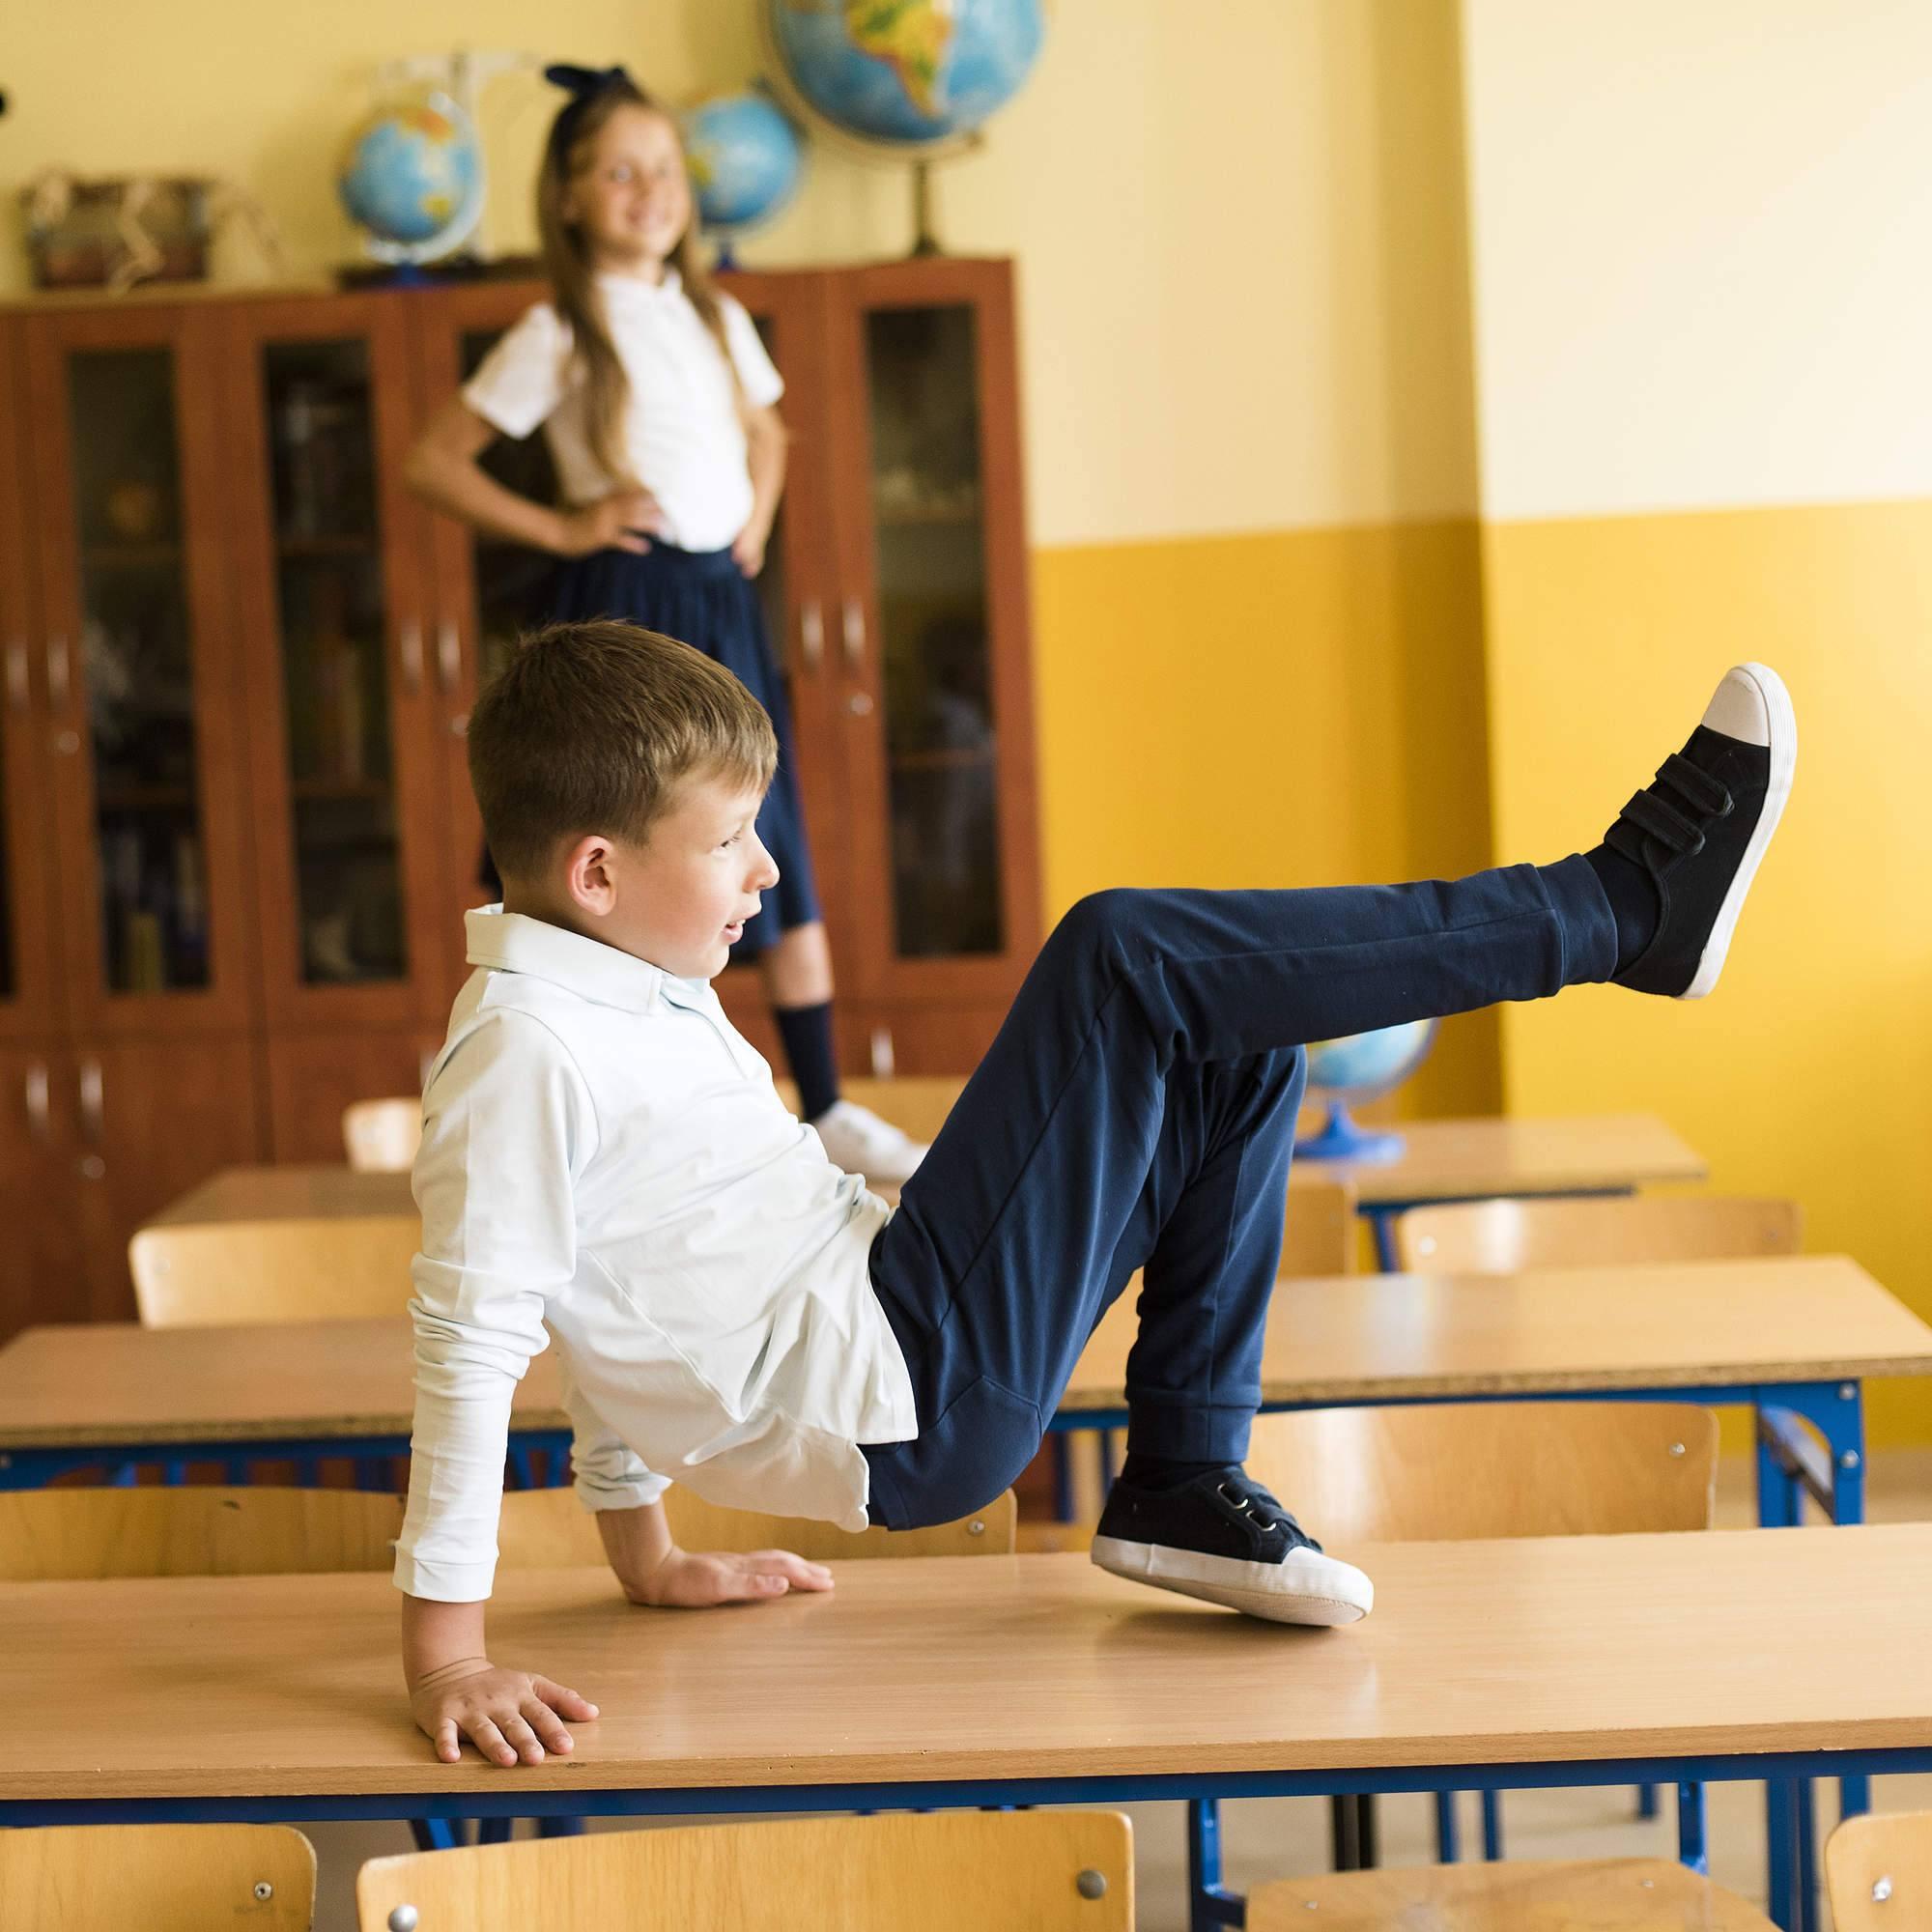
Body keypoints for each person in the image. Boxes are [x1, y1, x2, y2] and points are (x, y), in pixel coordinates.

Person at [397, 621, 1795, 1769]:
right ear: (597, 874)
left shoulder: (627, 990)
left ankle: (1184, 1477)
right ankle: (1615, 909)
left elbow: (621, 1284)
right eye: (729, 844)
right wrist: (449, 1655)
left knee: (1244, 1048)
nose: (766, 870)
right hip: (906, 1393)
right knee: (1121, 950)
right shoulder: (526, 1048)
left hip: (893, 1325)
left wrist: (645, 1554)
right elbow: (481, 1339)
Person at [402, 63, 924, 1186]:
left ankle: (822, 1098)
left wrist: (756, 526)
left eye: (663, 169)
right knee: (605, 850)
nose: (649, 190)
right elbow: (431, 460)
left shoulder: (714, 311)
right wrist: (562, 524)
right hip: (627, 599)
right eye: (617, 172)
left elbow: (769, 432)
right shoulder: (558, 328)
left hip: (718, 598)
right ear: (571, 198)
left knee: (758, 831)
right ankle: (538, 1087)